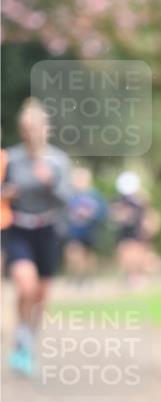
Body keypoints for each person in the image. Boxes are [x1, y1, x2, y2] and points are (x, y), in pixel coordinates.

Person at [2, 98, 72, 376]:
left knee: (41, 295)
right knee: (25, 284)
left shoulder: (58, 160)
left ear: (46, 128)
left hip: (48, 230)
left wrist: (50, 183)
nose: (32, 132)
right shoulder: (10, 157)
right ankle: (21, 337)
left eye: (37, 127)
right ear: (22, 130)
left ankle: (28, 341)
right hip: (18, 227)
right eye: (27, 128)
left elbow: (67, 198)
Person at [109, 171, 161, 288]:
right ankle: (132, 277)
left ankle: (137, 276)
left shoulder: (141, 201)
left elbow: (150, 216)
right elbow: (116, 215)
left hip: (137, 233)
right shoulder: (118, 200)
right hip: (124, 233)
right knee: (125, 255)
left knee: (137, 256)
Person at [64, 166, 108, 284]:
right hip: (75, 231)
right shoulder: (70, 194)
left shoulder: (95, 195)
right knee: (73, 252)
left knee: (89, 255)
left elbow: (103, 212)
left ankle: (87, 278)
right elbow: (64, 212)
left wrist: (90, 215)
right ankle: (76, 277)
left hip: (91, 230)